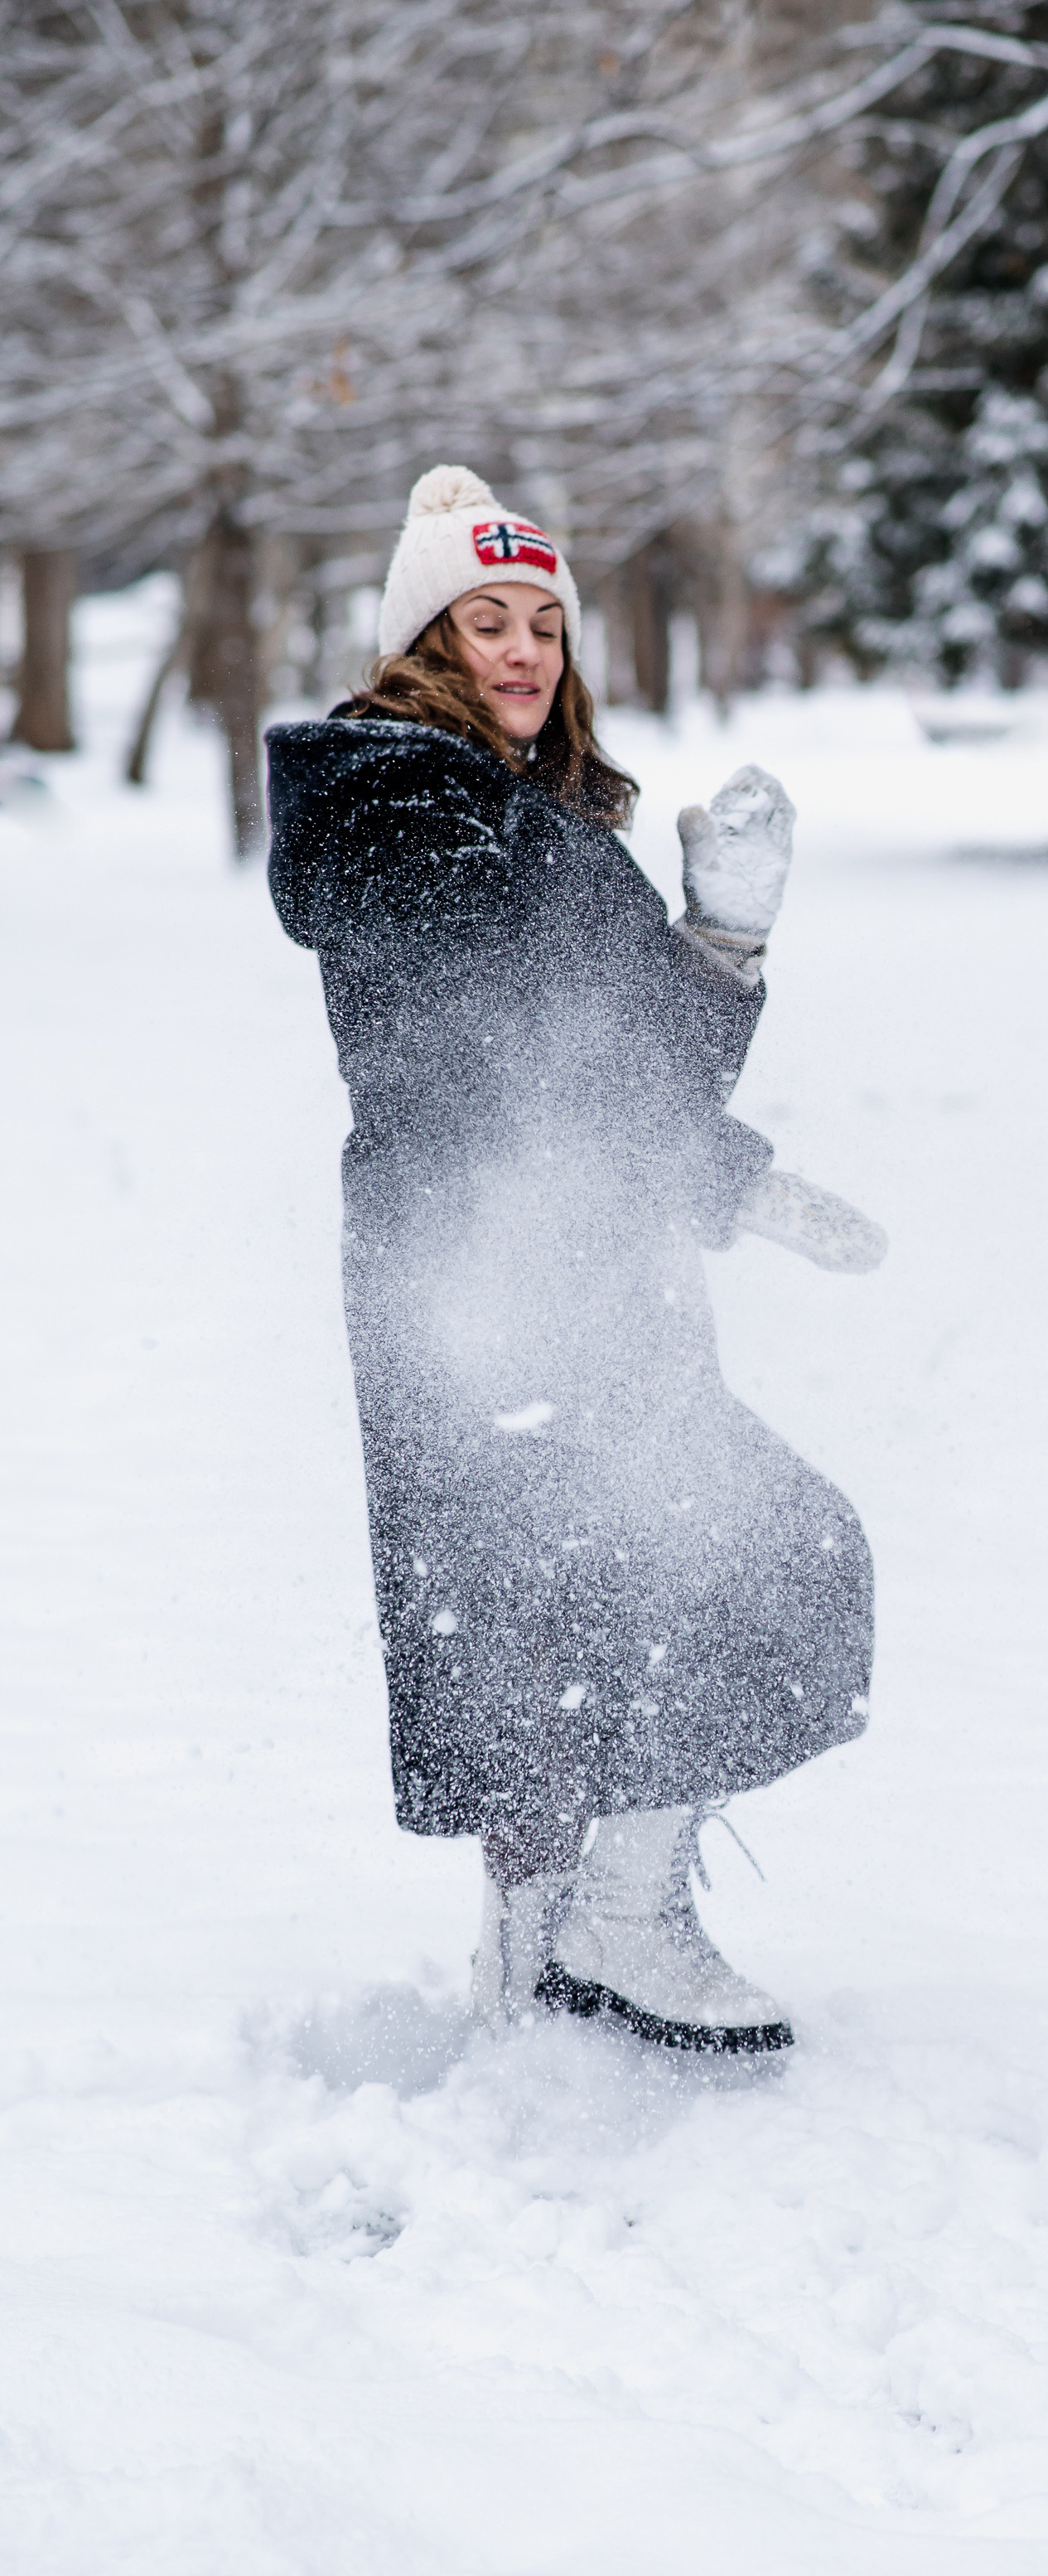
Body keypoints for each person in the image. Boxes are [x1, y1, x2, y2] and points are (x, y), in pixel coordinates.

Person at [268, 464, 881, 2055]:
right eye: (487, 618)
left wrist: (725, 940)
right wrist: (723, 1169)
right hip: (483, 1278)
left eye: (545, 620)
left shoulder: (529, 814)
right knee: (647, 1584)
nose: (525, 648)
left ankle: (561, 1954)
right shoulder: (390, 802)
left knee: (587, 1610)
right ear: (422, 641)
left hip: (586, 1268)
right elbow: (507, 1045)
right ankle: (605, 1931)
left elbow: (635, 1066)